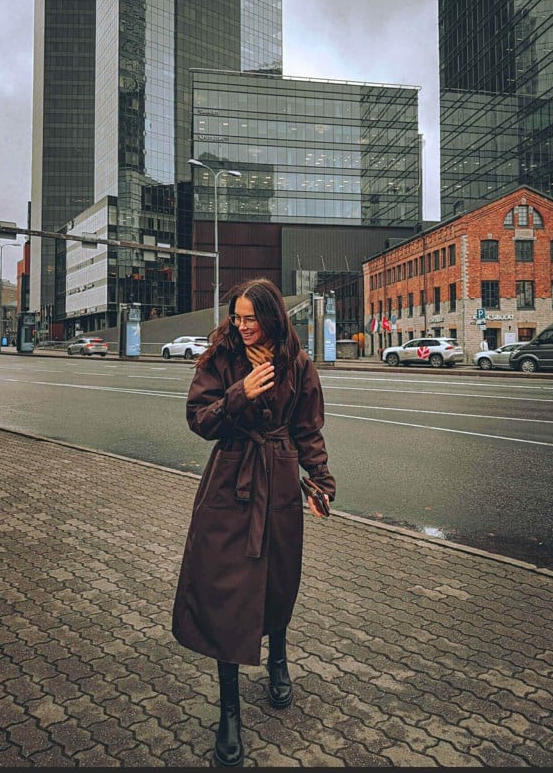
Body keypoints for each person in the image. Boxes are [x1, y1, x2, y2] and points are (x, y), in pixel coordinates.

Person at [171, 277, 335, 767]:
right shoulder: (221, 357)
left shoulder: (297, 364)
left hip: (279, 478)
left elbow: (308, 429)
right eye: (236, 317)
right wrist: (239, 394)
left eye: (251, 319)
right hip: (230, 479)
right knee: (226, 590)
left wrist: (320, 480)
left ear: (271, 317)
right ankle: (229, 712)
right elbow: (199, 419)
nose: (242, 326)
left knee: (277, 581)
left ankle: (278, 659)